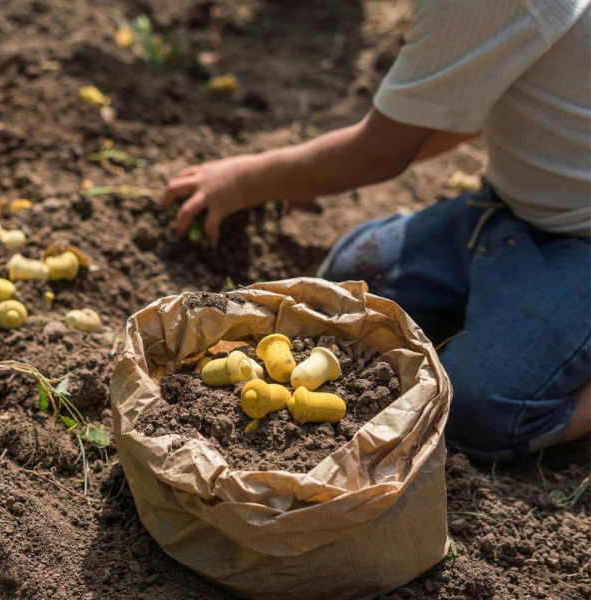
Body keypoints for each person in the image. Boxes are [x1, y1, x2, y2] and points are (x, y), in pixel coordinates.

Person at [163, 1, 591, 461]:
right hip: (517, 204)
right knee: (352, 278)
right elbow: (446, 110)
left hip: (580, 239)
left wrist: (248, 181)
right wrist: (308, 174)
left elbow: (377, 152)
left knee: (477, 414)